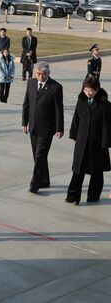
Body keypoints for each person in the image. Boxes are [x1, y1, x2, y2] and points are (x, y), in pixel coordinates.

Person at [67, 77, 110, 204]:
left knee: (96, 171)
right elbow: (76, 119)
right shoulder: (81, 101)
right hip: (82, 142)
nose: (88, 93)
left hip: (97, 144)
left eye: (90, 90)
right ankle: (73, 196)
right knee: (78, 170)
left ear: (97, 90)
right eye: (85, 90)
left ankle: (93, 195)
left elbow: (107, 126)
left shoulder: (105, 106)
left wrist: (105, 143)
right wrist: (74, 135)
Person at [22, 62, 64, 194]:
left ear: (48, 73)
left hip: (47, 128)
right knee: (37, 156)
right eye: (38, 74)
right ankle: (45, 180)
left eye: (43, 74)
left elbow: (59, 109)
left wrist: (60, 128)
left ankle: (35, 184)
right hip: (33, 127)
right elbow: (26, 104)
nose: (40, 76)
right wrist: (24, 122)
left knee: (40, 156)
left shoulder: (56, 87)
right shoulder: (31, 83)